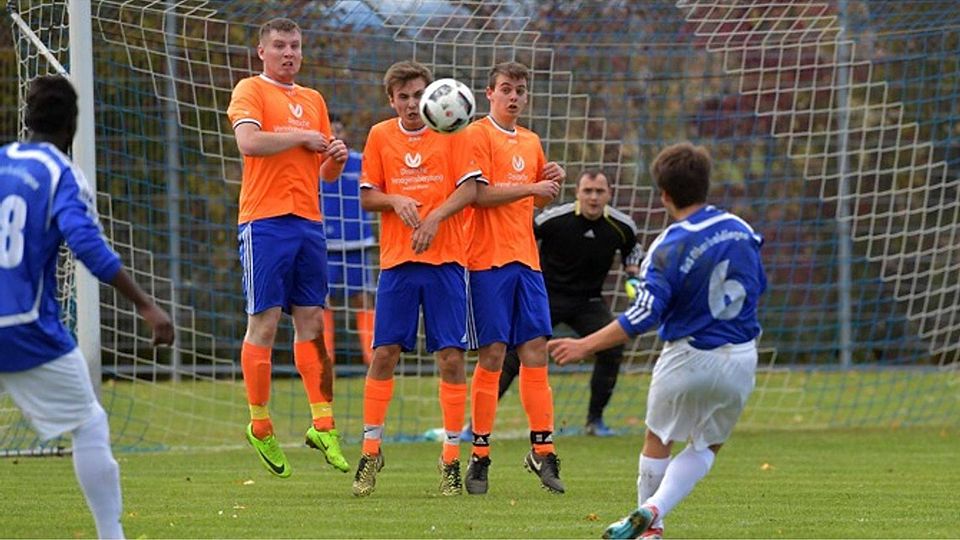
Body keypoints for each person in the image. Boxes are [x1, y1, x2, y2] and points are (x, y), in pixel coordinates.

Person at [548, 142, 766, 539]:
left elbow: (642, 316)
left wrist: (583, 345)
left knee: (659, 439)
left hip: (687, 357)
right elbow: (757, 285)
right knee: (706, 447)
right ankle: (655, 509)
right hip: (740, 358)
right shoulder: (742, 229)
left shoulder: (667, 246)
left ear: (664, 195)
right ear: (706, 184)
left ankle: (650, 525)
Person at [0, 75, 175, 539]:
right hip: (23, 326)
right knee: (88, 423)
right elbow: (87, 246)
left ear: (27, 118)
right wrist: (146, 306)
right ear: (72, 124)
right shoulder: (61, 174)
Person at [226, 17, 349, 478]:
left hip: (308, 222)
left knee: (312, 321)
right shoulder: (251, 90)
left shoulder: (313, 99)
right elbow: (249, 142)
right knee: (265, 321)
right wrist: (301, 136)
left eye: (295, 45)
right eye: (279, 46)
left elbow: (324, 173)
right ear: (262, 51)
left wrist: (335, 159)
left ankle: (323, 425)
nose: (289, 53)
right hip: (265, 221)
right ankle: (260, 425)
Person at [352, 61, 480, 497]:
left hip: (447, 262)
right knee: (384, 353)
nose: (411, 103)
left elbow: (470, 189)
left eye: (418, 95)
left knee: (451, 358)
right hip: (398, 264)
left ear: (432, 96)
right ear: (392, 100)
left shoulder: (453, 131)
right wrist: (395, 200)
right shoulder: (379, 135)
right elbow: (368, 196)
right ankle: (370, 452)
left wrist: (435, 217)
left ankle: (451, 459)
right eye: (403, 96)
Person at [463, 61, 567, 495]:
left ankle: (543, 450)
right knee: (492, 354)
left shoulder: (531, 141)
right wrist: (531, 188)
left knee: (535, 351)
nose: (514, 96)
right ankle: (479, 456)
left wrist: (552, 180)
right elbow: (478, 194)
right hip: (487, 261)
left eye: (520, 90)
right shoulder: (477, 134)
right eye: (506, 88)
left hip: (527, 261)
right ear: (489, 93)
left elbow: (537, 197)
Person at [494, 169, 643, 438]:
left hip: (589, 301)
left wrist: (632, 273)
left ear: (609, 194)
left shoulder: (622, 226)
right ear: (578, 193)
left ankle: (594, 421)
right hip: (546, 296)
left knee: (612, 347)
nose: (593, 197)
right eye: (588, 191)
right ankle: (478, 423)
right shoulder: (555, 219)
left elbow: (633, 248)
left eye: (599, 192)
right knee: (515, 351)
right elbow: (523, 234)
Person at [320, 113, 377, 365]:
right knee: (322, 301)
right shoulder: (314, 164)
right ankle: (325, 359)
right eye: (330, 132)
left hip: (357, 244)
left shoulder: (359, 162)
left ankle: (372, 358)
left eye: (339, 130)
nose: (335, 135)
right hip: (324, 245)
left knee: (363, 298)